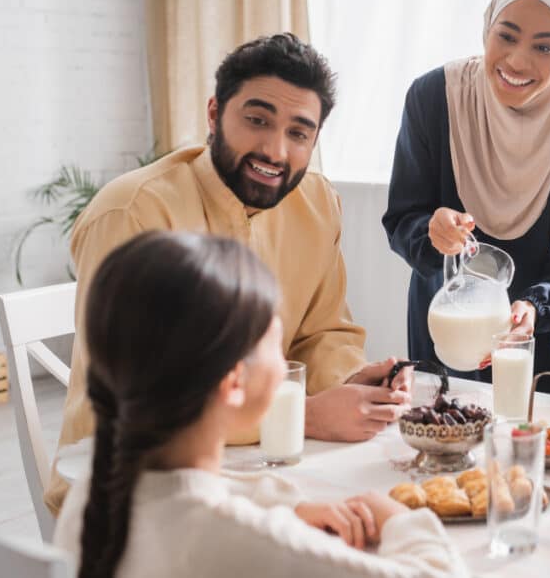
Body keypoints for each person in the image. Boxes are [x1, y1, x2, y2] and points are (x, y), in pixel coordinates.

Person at [47, 34, 412, 515]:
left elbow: (322, 332)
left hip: (265, 466)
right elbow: (129, 399)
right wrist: (300, 416)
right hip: (132, 491)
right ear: (215, 113)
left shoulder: (317, 203)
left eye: (299, 133)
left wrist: (354, 382)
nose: (275, 151)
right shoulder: (134, 213)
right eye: (257, 120)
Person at [54, 231, 465, 578]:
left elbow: (188, 494)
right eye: (275, 341)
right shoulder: (254, 546)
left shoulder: (92, 499)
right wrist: (398, 518)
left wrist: (289, 505)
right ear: (234, 381)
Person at [382, 0, 550, 395]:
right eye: (506, 35)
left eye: (545, 47)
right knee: (444, 447)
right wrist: (430, 231)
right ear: (487, 26)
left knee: (535, 454)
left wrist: (534, 306)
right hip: (446, 331)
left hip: (534, 341)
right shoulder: (435, 99)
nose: (517, 60)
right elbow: (402, 218)